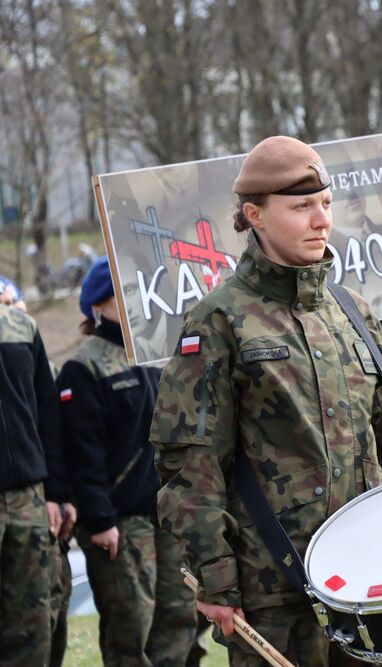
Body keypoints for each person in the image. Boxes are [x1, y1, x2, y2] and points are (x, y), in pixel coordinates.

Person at [151, 135, 382, 666]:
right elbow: (192, 464)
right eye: (301, 208)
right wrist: (216, 580)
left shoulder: (353, 311)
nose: (321, 221)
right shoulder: (218, 320)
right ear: (256, 215)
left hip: (368, 577)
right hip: (273, 590)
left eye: (325, 204)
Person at [58, 256, 202, 665]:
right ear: (98, 305)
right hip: (121, 522)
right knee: (130, 625)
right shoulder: (84, 365)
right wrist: (100, 520)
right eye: (124, 294)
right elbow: (80, 452)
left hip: (168, 514)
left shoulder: (159, 356)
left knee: (179, 616)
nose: (135, 302)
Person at [0, 286, 66, 664]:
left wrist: (56, 492)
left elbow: (48, 414)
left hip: (29, 497)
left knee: (33, 621)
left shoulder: (22, 327)